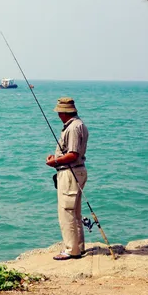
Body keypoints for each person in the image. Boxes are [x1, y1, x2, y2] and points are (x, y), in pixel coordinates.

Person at [45, 97, 88, 260]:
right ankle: (78, 247)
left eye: (59, 112)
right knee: (75, 212)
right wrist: (56, 157)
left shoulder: (73, 128)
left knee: (66, 212)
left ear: (64, 112)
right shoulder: (79, 125)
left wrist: (55, 162)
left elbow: (73, 154)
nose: (58, 115)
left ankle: (71, 250)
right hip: (77, 171)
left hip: (70, 173)